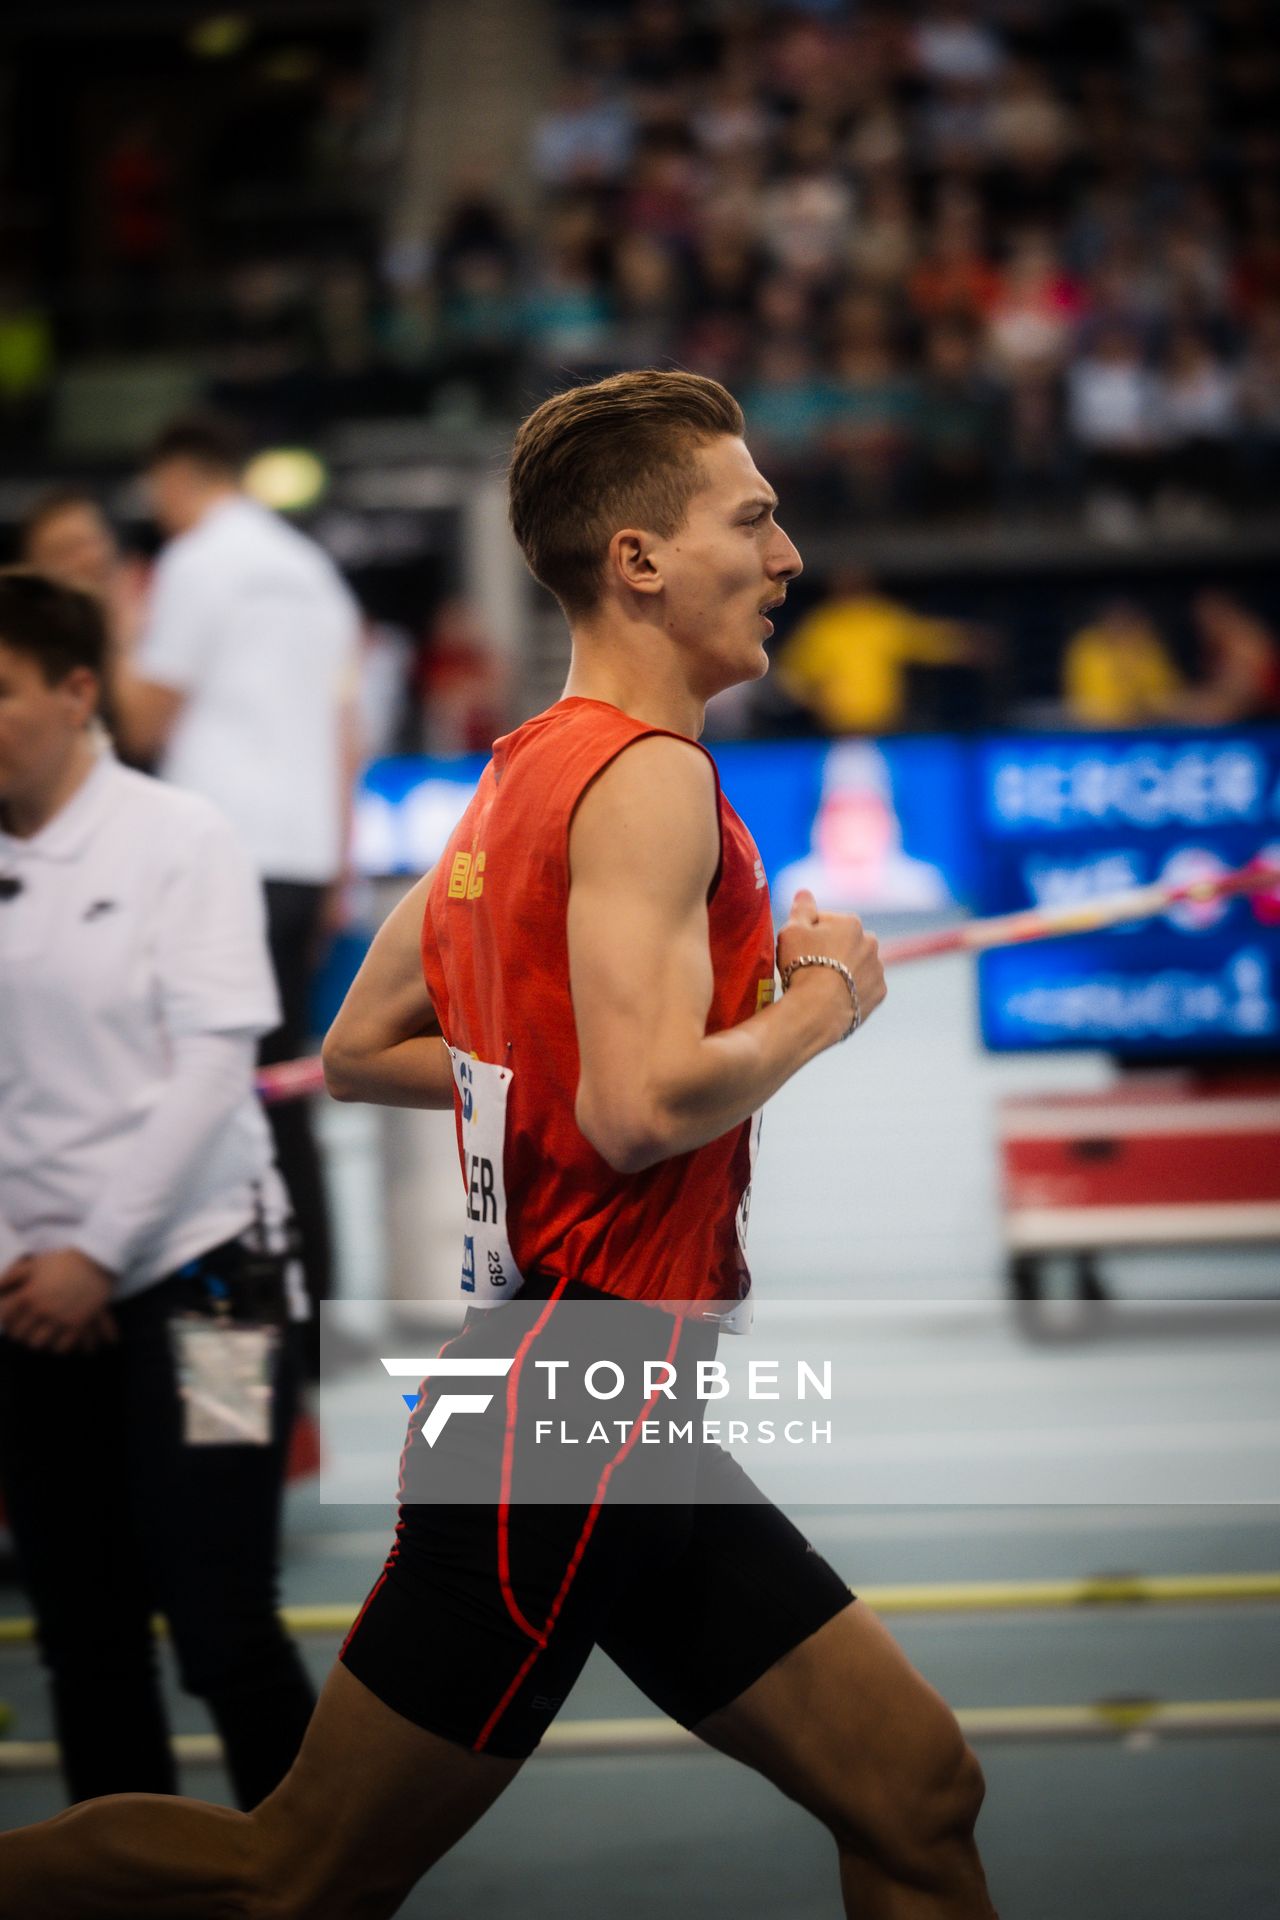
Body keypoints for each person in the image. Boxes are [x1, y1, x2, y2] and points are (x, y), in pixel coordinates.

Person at [0, 372, 996, 1919]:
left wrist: (586, 1071)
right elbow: (642, 1107)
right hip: (563, 1408)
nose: (789, 553)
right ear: (640, 560)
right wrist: (821, 1002)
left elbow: (360, 1050)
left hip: (602, 1407)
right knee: (297, 1875)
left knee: (919, 1795)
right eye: (756, 516)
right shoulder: (650, 779)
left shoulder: (519, 770)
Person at [0, 569, 314, 1812]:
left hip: (212, 1289)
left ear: (78, 693)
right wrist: (27, 1262)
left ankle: (317, 1891)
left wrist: (96, 1254)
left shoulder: (182, 838)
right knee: (82, 1644)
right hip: (32, 1304)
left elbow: (211, 1074)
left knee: (224, 1624)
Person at [110, 416, 363, 1337]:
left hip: (217, 851)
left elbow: (140, 719)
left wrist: (116, 624)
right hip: (299, 852)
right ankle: (313, 1305)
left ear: (178, 479)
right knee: (279, 1082)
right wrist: (339, 858)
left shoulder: (196, 565)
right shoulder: (314, 574)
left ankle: (242, 1326)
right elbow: (348, 731)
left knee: (211, 1091)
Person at [777, 564, 989, 734]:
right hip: (838, 729)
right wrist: (815, 703)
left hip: (886, 725)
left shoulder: (881, 618)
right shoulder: (823, 626)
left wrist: (967, 644)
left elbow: (926, 639)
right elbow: (792, 674)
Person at [1061, 599, 1182, 727]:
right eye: (1114, 621)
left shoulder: (1146, 644)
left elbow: (1168, 697)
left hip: (1148, 728)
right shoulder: (1086, 647)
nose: (1119, 626)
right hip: (1097, 732)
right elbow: (1088, 707)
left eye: (1126, 622)